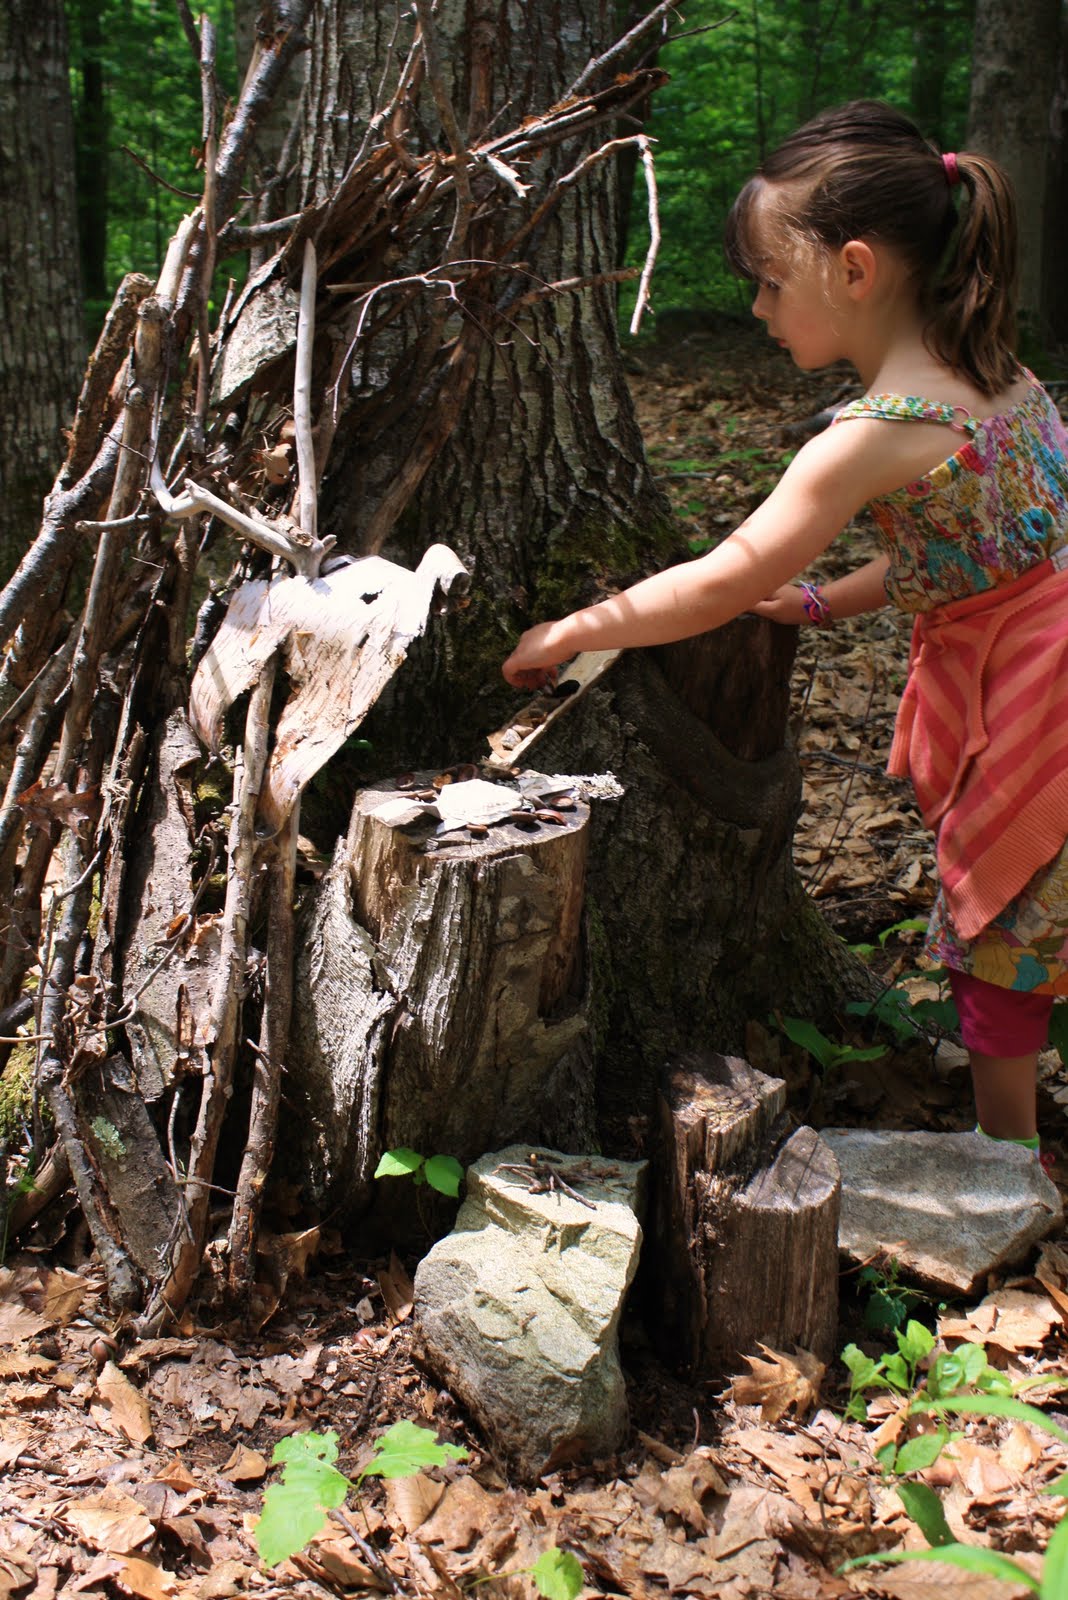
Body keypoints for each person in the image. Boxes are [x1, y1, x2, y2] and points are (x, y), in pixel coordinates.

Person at [501, 100, 1068, 1162]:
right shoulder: (1003, 379)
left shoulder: (868, 437)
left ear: (853, 270)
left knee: (1000, 937)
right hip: (1049, 657)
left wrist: (578, 627)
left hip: (1038, 709)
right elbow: (959, 556)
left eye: (768, 279)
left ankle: (1008, 1165)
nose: (757, 307)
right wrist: (816, 604)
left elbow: (721, 580)